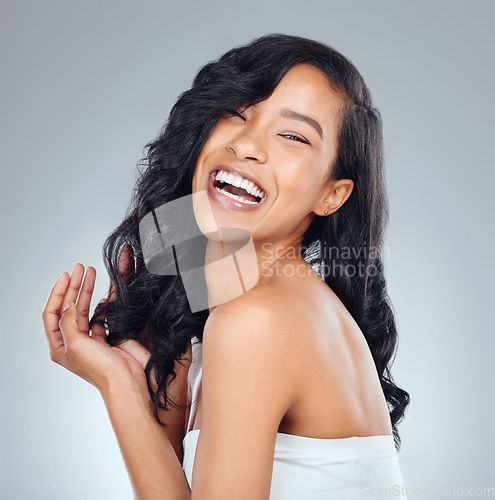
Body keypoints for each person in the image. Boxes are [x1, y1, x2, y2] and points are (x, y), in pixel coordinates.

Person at [42, 33, 410, 499]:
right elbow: (178, 481)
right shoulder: (234, 301)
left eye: (293, 135)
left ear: (331, 194)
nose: (248, 145)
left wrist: (117, 385)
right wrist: (149, 374)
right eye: (237, 113)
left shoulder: (258, 321)